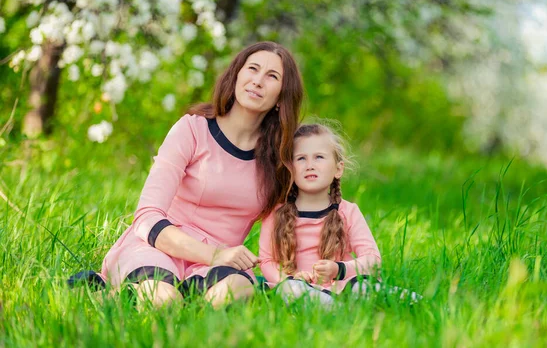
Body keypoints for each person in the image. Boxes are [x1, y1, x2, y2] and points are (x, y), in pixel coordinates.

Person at [75, 41, 304, 308]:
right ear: (237, 75)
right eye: (252, 69)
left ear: (281, 97)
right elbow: (147, 218)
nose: (258, 80)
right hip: (158, 248)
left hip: (215, 267)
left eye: (272, 76)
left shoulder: (280, 161)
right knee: (162, 301)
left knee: (237, 291)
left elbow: (285, 233)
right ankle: (110, 292)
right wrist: (215, 254)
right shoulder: (192, 130)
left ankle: (180, 301)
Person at [258, 123, 383, 306]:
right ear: (290, 169)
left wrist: (339, 269)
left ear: (338, 169)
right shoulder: (276, 214)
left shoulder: (347, 211)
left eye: (319, 157)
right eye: (300, 159)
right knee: (289, 290)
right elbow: (266, 260)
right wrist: (288, 278)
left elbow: (373, 260)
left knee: (365, 286)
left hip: (341, 286)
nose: (310, 165)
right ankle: (335, 309)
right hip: (298, 288)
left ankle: (409, 301)